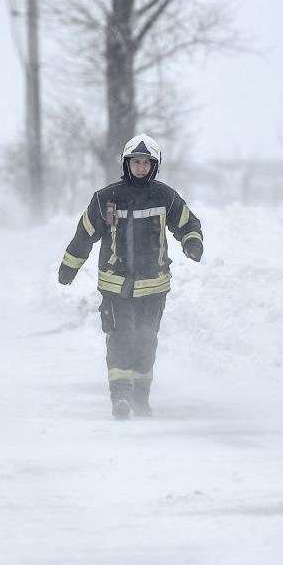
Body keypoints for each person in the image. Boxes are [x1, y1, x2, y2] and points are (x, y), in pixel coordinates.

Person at [58, 134, 204, 420]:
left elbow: (188, 223)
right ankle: (121, 396)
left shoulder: (165, 197)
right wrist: (69, 267)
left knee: (146, 341)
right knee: (121, 338)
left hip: (154, 287)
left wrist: (192, 242)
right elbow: (84, 235)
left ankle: (141, 397)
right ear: (126, 164)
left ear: (154, 166)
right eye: (135, 162)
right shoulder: (106, 198)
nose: (140, 167)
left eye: (145, 163)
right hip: (116, 287)